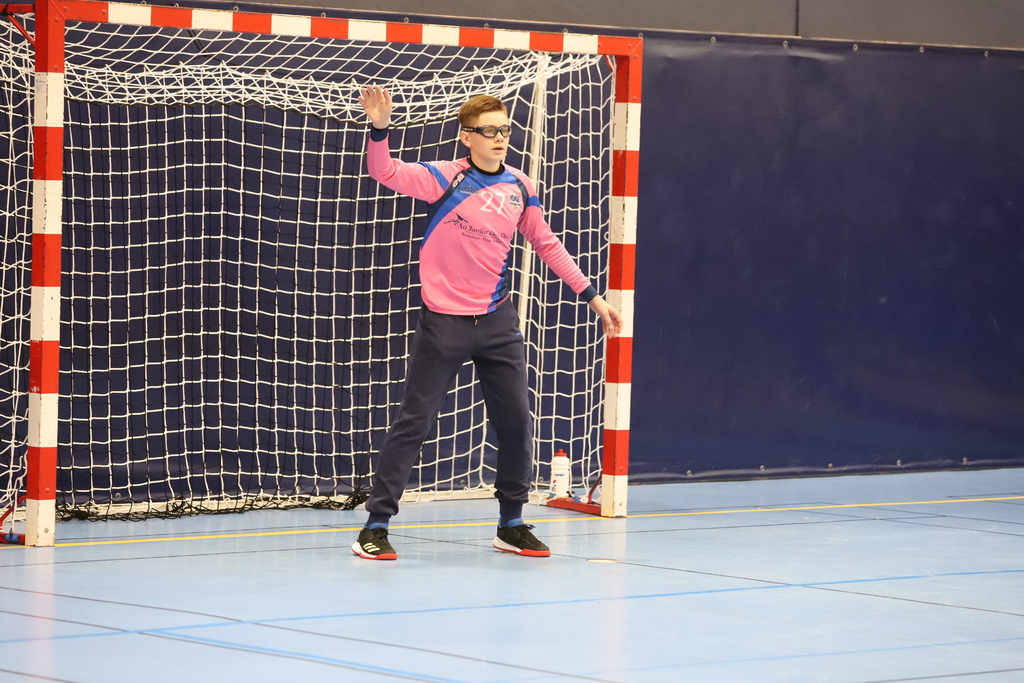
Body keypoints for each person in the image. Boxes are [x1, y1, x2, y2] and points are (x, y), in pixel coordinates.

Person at [352, 85, 622, 561]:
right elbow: (384, 171)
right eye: (489, 130)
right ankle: (375, 526)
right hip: (445, 323)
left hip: (497, 322)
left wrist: (592, 296)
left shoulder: (520, 186)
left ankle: (511, 524)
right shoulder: (444, 178)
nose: (499, 138)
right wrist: (379, 128)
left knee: (516, 422)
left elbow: (547, 243)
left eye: (505, 130)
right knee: (414, 423)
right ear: (466, 137)